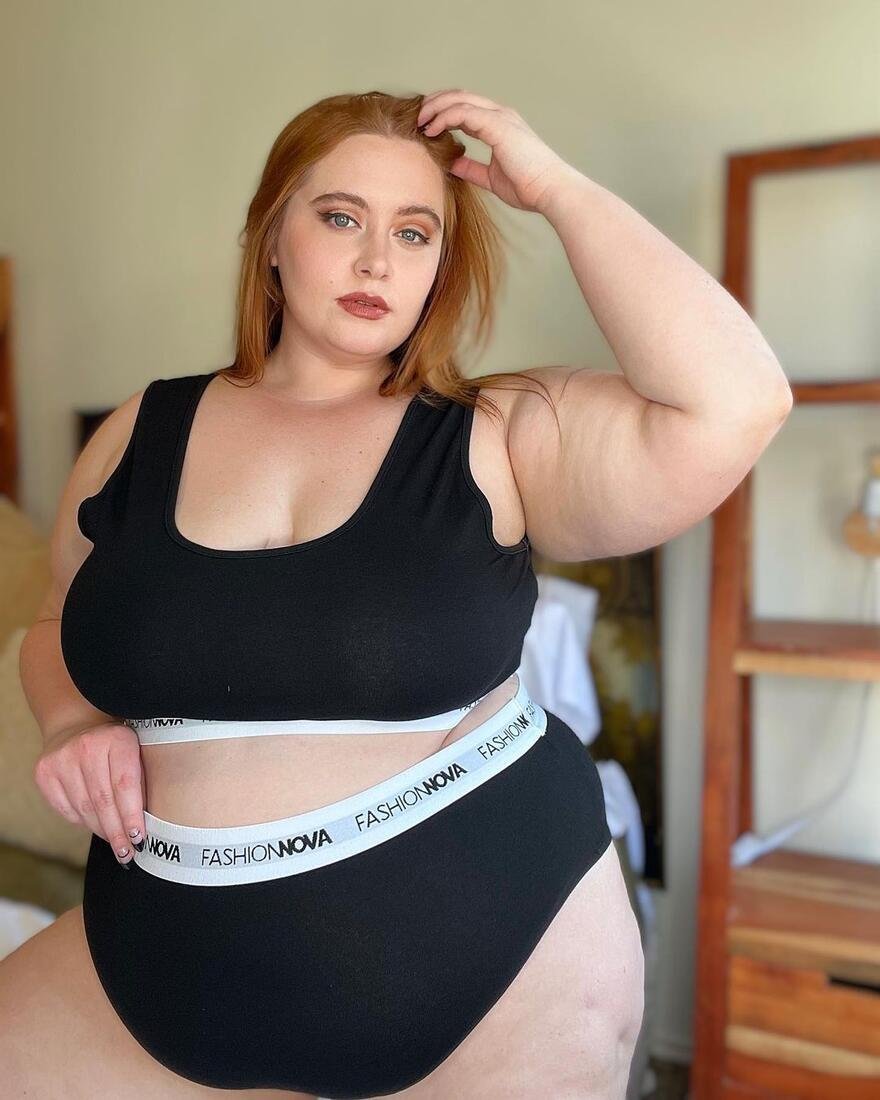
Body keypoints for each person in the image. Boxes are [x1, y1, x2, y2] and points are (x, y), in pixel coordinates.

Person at [3, 88, 792, 1099]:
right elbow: (52, 621)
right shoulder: (137, 431)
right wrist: (72, 719)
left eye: (414, 233)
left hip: (501, 971)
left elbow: (739, 400)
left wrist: (555, 189)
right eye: (342, 217)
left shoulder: (499, 432)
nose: (378, 260)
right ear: (272, 236)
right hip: (159, 963)